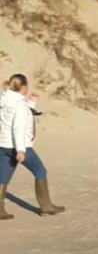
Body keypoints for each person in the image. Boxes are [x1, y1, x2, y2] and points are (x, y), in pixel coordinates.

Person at [0, 74, 65, 219]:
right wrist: (21, 150)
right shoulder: (20, 104)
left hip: (3, 145)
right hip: (18, 146)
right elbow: (18, 126)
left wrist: (31, 103)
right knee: (40, 171)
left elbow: (15, 116)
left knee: (3, 176)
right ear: (23, 87)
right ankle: (46, 207)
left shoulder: (3, 99)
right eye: (26, 87)